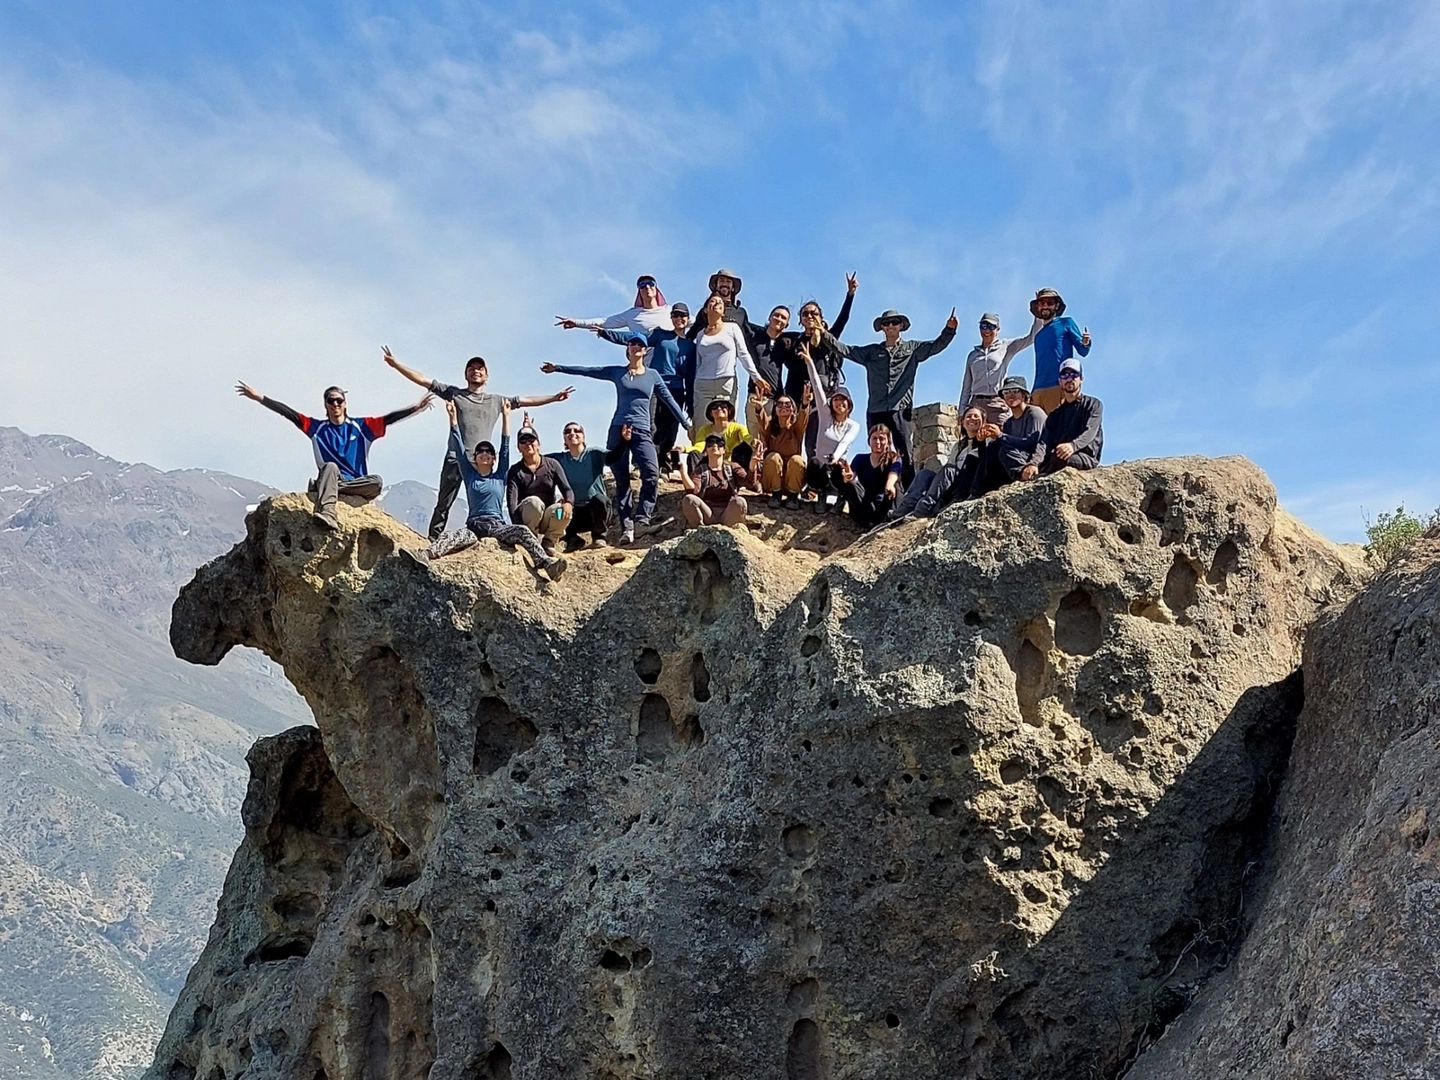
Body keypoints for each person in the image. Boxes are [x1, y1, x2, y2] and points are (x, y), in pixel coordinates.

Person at [381, 346, 573, 541]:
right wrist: (396, 365)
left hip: (483, 459)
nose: (476, 370)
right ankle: (433, 538)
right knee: (444, 500)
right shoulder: (454, 393)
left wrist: (553, 398)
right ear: (466, 374)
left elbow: (526, 400)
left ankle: (497, 532)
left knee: (491, 499)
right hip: (457, 457)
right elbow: (423, 379)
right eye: (471, 368)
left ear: (486, 375)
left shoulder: (496, 400)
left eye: (480, 368)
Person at [541, 334, 690, 544]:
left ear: (646, 351)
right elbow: (590, 371)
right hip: (618, 429)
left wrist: (686, 424)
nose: (637, 346)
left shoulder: (653, 375)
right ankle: (627, 527)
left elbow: (669, 400)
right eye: (633, 343)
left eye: (641, 344)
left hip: (642, 430)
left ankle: (642, 521)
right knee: (622, 480)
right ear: (627, 349)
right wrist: (558, 368)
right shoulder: (618, 372)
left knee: (651, 473)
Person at [234, 380, 431, 530]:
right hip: (331, 476)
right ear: (326, 405)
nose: (335, 404)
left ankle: (329, 489)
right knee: (330, 466)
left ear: (345, 404)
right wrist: (259, 397)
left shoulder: (361, 427)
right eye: (331, 401)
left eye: (339, 400)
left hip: (355, 484)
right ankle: (327, 513)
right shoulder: (316, 428)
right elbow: (288, 413)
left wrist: (415, 408)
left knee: (377, 482)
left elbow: (389, 419)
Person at [413, 401, 567, 580]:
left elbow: (506, 446)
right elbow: (459, 446)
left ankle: (547, 564)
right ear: (475, 457)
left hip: (496, 527)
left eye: (489, 451)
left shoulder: (500, 475)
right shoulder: (469, 475)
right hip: (474, 527)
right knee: (452, 537)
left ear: (494, 458)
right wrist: (453, 418)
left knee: (522, 532)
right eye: (480, 451)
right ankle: (424, 555)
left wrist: (506, 417)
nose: (485, 453)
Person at [829, 307, 958, 464]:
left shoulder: (912, 349)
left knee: (904, 452)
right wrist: (822, 333)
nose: (890, 325)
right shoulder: (871, 352)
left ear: (901, 326)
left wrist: (949, 330)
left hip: (901, 409)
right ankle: (879, 486)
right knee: (877, 450)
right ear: (882, 327)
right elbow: (845, 350)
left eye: (894, 322)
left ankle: (908, 488)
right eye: (886, 323)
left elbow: (935, 346)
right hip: (876, 409)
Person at [595, 302, 695, 469]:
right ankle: (641, 462)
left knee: (670, 428)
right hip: (654, 383)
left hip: (677, 388)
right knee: (650, 424)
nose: (679, 319)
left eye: (682, 316)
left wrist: (690, 400)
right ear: (671, 318)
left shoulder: (691, 346)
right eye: (675, 315)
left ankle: (662, 463)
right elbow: (634, 340)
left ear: (687, 319)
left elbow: (691, 374)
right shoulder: (661, 335)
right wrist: (606, 334)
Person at [798, 341, 862, 512]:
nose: (839, 403)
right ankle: (820, 494)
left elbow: (845, 443)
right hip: (821, 468)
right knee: (814, 462)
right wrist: (810, 362)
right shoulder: (825, 415)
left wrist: (834, 458)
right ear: (831, 402)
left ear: (849, 404)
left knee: (840, 467)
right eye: (836, 399)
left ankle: (841, 496)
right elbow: (817, 387)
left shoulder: (853, 425)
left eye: (843, 400)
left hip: (836, 466)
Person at [891, 407, 987, 520]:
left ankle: (923, 509)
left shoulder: (986, 443)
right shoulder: (959, 446)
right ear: (963, 422)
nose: (972, 419)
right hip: (952, 482)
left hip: (966, 484)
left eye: (976, 416)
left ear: (983, 421)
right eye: (969, 416)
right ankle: (902, 510)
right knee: (924, 474)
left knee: (949, 470)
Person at [966, 375, 1048, 498]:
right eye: (1006, 392)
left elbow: (1033, 443)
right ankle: (976, 492)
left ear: (1024, 394)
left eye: (1015, 391)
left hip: (1033, 460)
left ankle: (1024, 475)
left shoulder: (1034, 413)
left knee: (1003, 449)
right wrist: (982, 441)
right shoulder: (1009, 422)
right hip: (1011, 463)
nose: (1010, 395)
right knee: (992, 448)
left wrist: (1000, 435)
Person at [693, 293, 767, 424]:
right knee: (701, 425)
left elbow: (743, 354)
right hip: (703, 384)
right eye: (713, 302)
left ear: (723, 312)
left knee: (726, 425)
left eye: (720, 303)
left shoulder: (732, 328)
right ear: (705, 310)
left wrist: (756, 377)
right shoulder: (700, 335)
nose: (716, 304)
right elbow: (698, 362)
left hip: (726, 381)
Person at [959, 312, 1042, 426]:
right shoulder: (973, 355)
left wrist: (1037, 314)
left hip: (997, 402)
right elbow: (966, 386)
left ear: (997, 329)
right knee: (976, 440)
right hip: (976, 403)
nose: (986, 330)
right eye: (983, 326)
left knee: (1003, 436)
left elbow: (1031, 338)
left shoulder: (1006, 346)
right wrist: (962, 411)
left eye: (991, 327)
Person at [505, 426, 574, 555]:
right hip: (528, 517)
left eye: (531, 440)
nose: (527, 444)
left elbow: (567, 489)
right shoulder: (515, 471)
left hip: (548, 517)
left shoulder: (552, 465)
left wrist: (569, 503)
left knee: (561, 510)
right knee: (534, 502)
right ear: (518, 447)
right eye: (523, 441)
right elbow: (512, 503)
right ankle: (531, 539)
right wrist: (518, 528)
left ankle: (549, 541)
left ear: (538, 443)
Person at [1029, 288, 1091, 414]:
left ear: (1056, 305)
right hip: (1038, 389)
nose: (1045, 306)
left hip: (1058, 385)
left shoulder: (1066, 323)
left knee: (1058, 430)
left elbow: (1083, 351)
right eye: (1041, 303)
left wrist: (1086, 343)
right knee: (1036, 432)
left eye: (1049, 302)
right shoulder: (1038, 336)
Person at [1035, 360, 1103, 473]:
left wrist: (1072, 446)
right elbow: (1044, 442)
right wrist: (1034, 463)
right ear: (1060, 381)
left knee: (1059, 458)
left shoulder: (1093, 405)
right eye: (1064, 375)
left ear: (1081, 378)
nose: (1069, 379)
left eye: (1074, 374)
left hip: (1085, 456)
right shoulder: (1055, 415)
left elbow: (1090, 431)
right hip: (1057, 456)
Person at [549, 421, 609, 550]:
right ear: (564, 439)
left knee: (600, 500)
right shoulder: (559, 459)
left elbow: (614, 457)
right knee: (557, 511)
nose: (572, 433)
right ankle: (571, 538)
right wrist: (530, 433)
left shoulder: (594, 454)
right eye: (568, 431)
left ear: (583, 436)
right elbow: (535, 459)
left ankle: (599, 537)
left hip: (596, 513)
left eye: (577, 431)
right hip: (574, 512)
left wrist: (625, 440)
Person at [555, 274, 673, 338]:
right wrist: (576, 322)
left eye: (650, 284)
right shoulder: (632, 315)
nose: (647, 287)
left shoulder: (671, 312)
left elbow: (690, 323)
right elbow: (604, 322)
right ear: (639, 292)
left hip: (673, 369)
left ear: (656, 289)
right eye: (642, 285)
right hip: (646, 367)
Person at [679, 433, 749, 530]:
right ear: (706, 451)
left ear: (724, 449)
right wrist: (683, 473)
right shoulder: (700, 470)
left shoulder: (732, 467)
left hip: (728, 513)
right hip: (708, 514)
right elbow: (693, 491)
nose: (714, 446)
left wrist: (753, 464)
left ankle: (732, 532)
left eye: (719, 443)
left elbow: (748, 481)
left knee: (740, 502)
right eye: (710, 444)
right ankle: (698, 533)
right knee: (689, 499)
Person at [840, 424, 904, 526]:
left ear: (888, 441)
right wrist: (848, 477)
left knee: (895, 486)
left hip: (883, 507)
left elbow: (894, 472)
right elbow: (852, 475)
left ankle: (891, 518)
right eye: (874, 438)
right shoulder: (860, 459)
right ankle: (866, 521)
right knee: (851, 484)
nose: (877, 442)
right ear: (869, 440)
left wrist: (890, 484)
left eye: (882, 439)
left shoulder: (894, 458)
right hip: (864, 506)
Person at [755, 389, 811, 507]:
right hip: (773, 478)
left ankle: (793, 497)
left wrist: (805, 404)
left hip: (792, 478)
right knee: (772, 457)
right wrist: (759, 408)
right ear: (775, 409)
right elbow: (763, 422)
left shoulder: (796, 428)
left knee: (797, 460)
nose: (783, 406)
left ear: (793, 409)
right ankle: (776, 495)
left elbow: (802, 420)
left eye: (787, 404)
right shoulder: (771, 426)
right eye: (779, 404)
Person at [686, 268, 760, 343]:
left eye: (728, 282)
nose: (724, 284)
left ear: (733, 288)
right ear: (716, 285)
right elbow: (691, 336)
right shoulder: (706, 310)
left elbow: (748, 337)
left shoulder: (740, 313)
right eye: (721, 281)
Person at [687, 398, 754, 474]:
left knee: (745, 448)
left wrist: (753, 442)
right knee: (694, 454)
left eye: (723, 406)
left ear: (729, 411)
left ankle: (743, 481)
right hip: (710, 466)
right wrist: (683, 449)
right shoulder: (704, 430)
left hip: (731, 466)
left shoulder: (738, 428)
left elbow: (746, 437)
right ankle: (694, 483)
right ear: (711, 413)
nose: (719, 409)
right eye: (714, 407)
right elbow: (698, 447)